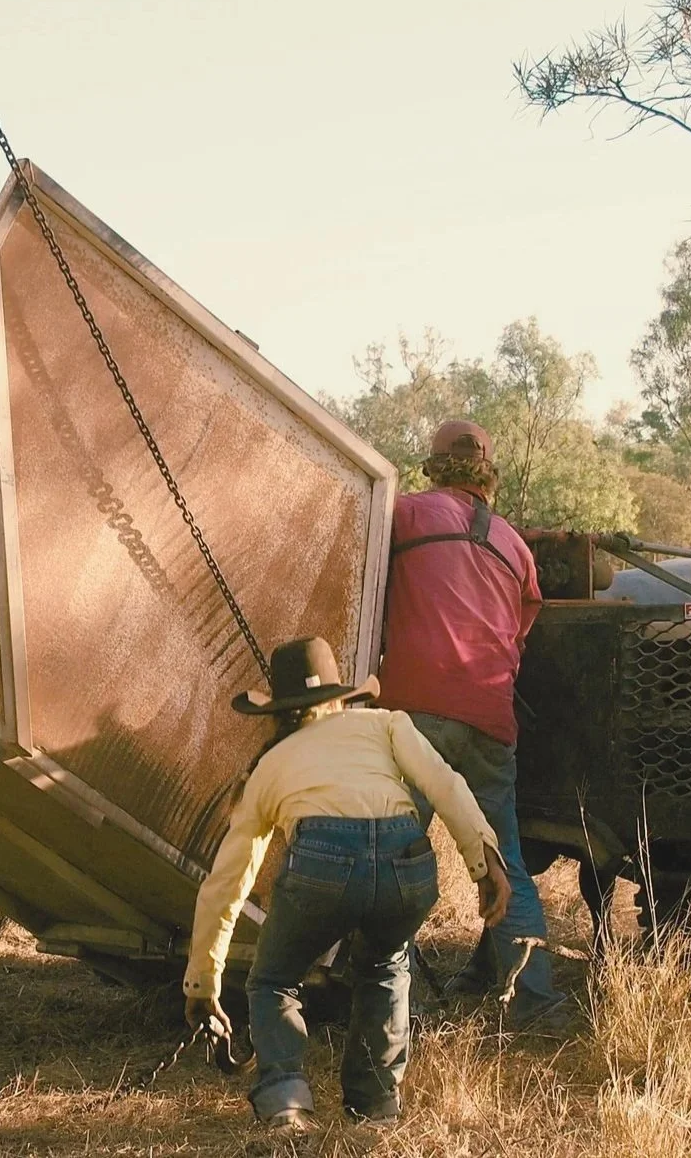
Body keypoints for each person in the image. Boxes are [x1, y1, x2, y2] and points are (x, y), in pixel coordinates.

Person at [184, 637, 507, 1131]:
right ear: (339, 696)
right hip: (406, 859)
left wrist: (203, 984)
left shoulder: (271, 765)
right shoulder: (385, 723)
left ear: (281, 711)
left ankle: (286, 1105)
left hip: (322, 863)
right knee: (385, 965)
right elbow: (445, 783)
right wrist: (484, 863)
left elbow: (228, 882)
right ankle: (376, 1108)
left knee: (273, 979)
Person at [374, 419, 555, 1018]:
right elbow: (520, 628)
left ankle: (388, 1006)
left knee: (397, 856)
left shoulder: (402, 516)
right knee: (503, 856)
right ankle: (535, 1001)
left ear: (433, 467)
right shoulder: (515, 545)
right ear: (488, 474)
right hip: (489, 715)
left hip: (416, 712)